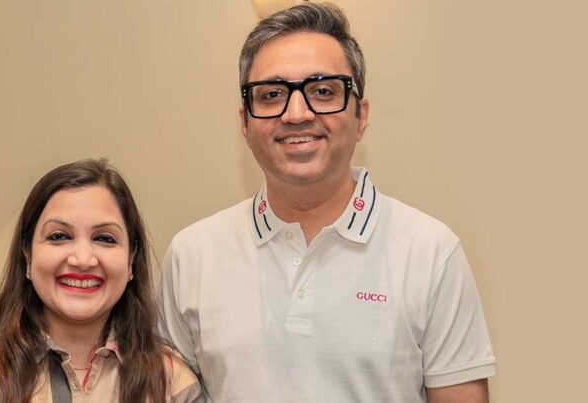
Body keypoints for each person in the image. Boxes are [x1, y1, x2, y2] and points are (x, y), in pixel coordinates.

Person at [157, 3, 495, 402]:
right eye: (272, 95)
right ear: (245, 122)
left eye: (323, 91)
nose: (297, 113)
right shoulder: (192, 256)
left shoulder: (431, 253)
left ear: (360, 117)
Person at [0, 159, 202, 403]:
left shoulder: (172, 381)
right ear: (27, 255)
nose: (82, 259)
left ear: (131, 260)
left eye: (105, 238)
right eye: (59, 236)